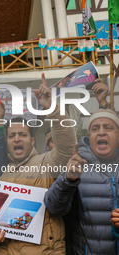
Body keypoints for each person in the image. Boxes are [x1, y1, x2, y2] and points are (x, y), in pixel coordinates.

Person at [0, 73, 76, 254]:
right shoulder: (1, 176)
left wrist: (52, 109)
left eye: (23, 135)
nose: (17, 139)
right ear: (7, 142)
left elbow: (67, 149)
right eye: (12, 135)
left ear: (32, 140)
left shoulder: (47, 162)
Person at [44, 109, 119, 255]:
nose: (101, 132)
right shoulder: (76, 165)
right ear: (89, 136)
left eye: (108, 128)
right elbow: (53, 208)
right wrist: (68, 180)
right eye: (95, 128)